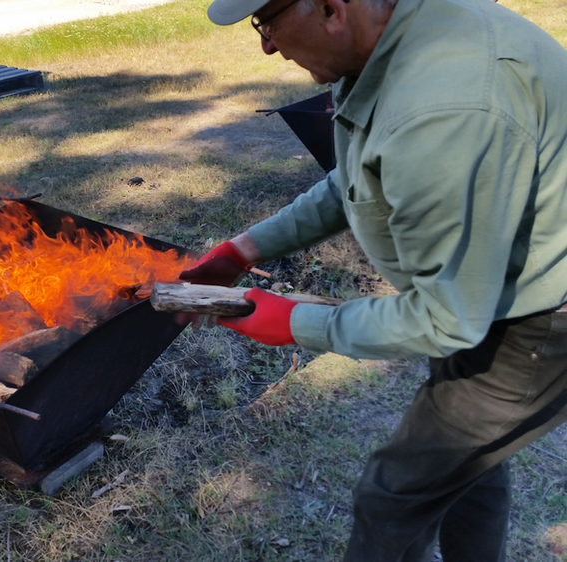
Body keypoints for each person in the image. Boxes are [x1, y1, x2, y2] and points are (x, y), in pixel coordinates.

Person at [179, 0, 567, 559]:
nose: (266, 45)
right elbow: (357, 178)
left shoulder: (444, 105)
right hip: (486, 286)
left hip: (537, 321)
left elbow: (448, 317)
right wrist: (245, 248)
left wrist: (296, 322)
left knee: (394, 497)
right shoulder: (389, 46)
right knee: (467, 467)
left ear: (333, 9)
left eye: (266, 22)